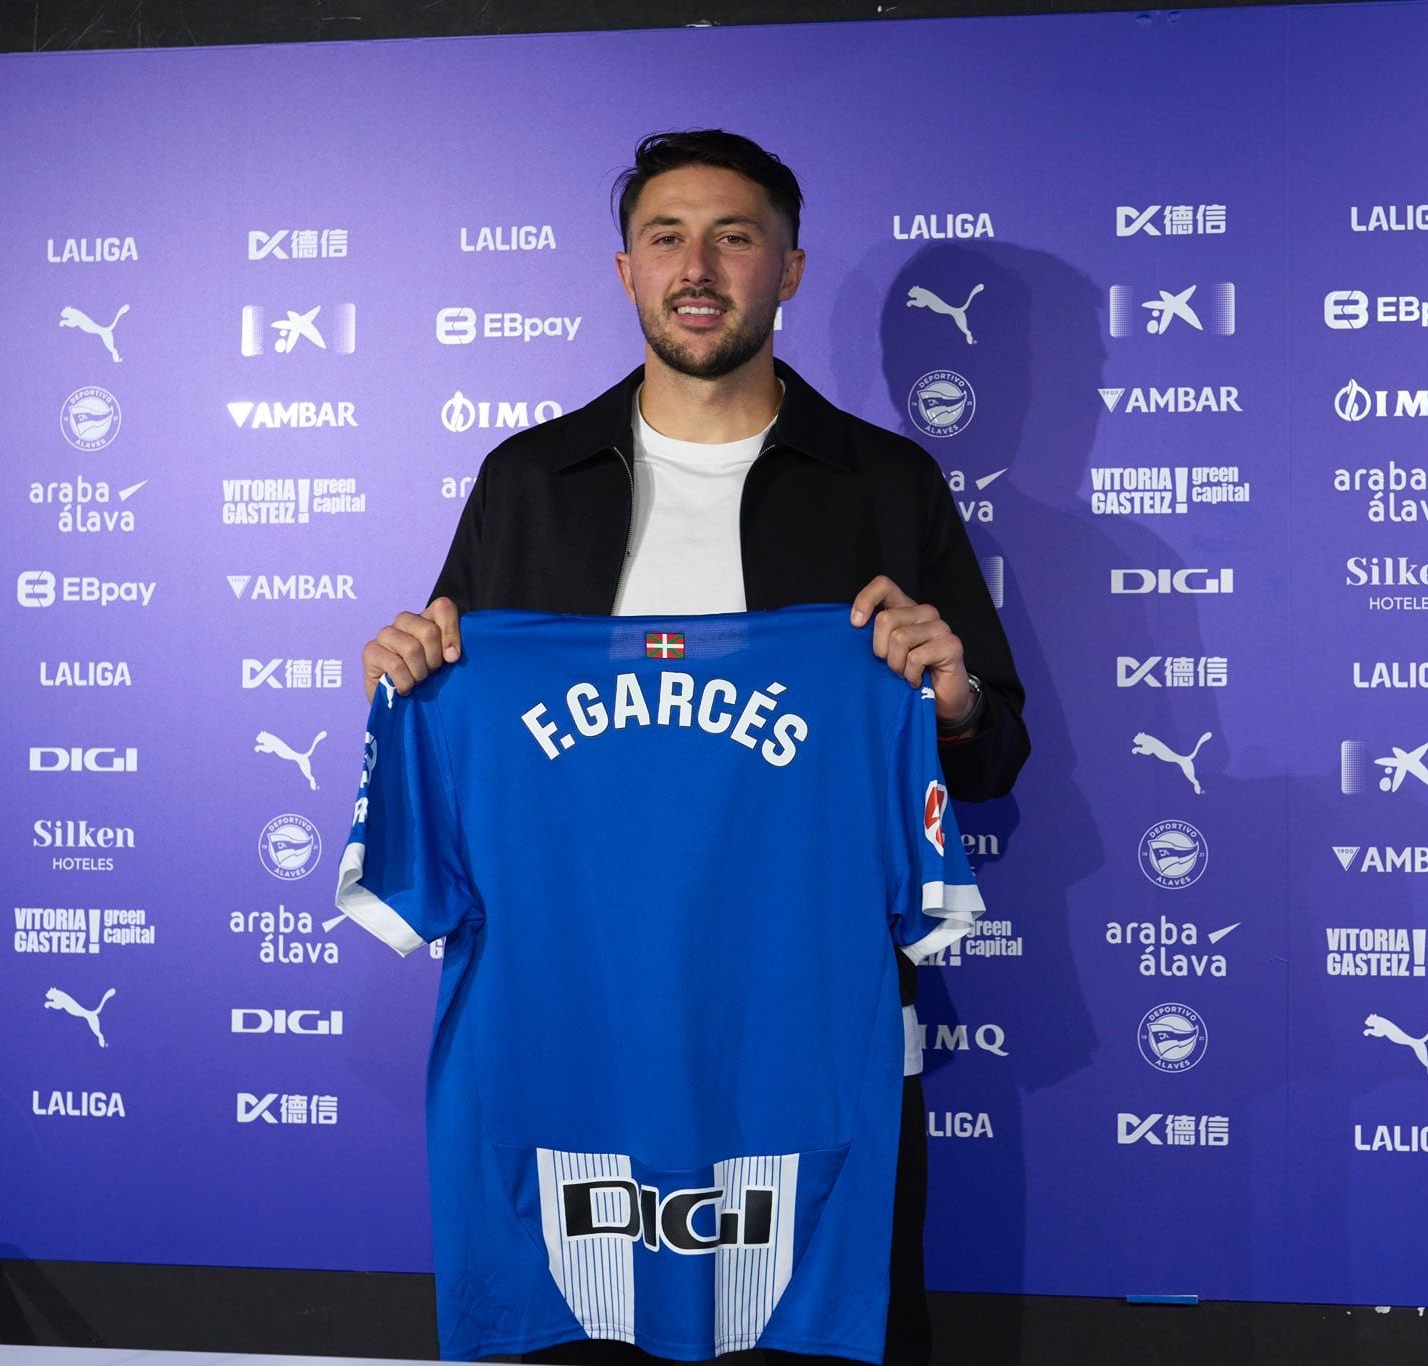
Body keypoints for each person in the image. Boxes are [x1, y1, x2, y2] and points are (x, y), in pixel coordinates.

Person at [359, 129, 1029, 1366]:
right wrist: (413, 669)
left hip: (801, 1022)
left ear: (788, 267)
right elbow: (461, 696)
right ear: (625, 271)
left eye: (735, 235)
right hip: (573, 1022)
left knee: (820, 1335)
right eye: (666, 236)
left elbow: (988, 760)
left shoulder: (883, 482)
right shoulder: (528, 480)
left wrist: (953, 704)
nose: (699, 265)